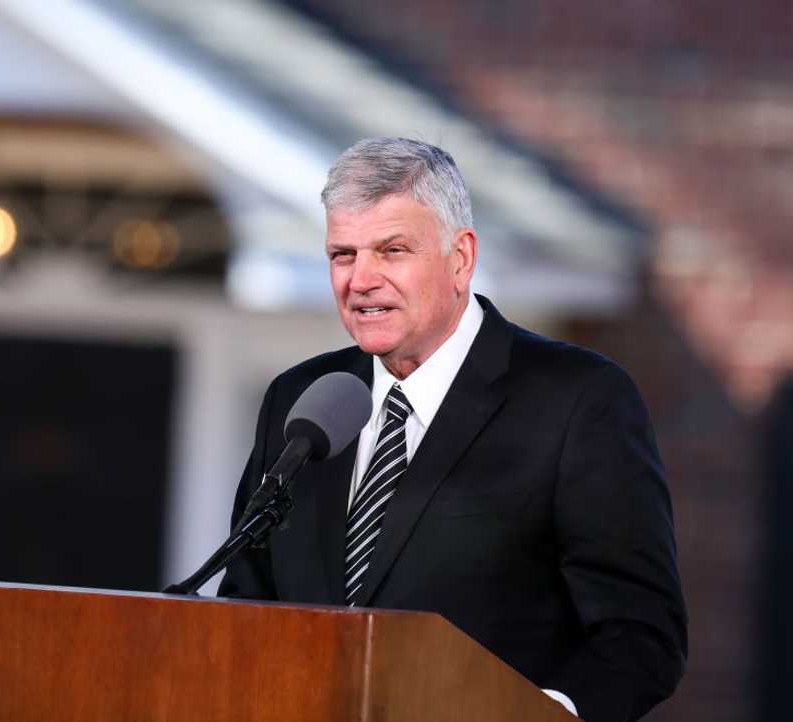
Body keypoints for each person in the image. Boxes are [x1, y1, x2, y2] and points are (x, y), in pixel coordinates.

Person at [218, 138, 686, 722]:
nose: (361, 279)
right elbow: (245, 604)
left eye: (391, 251)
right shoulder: (304, 399)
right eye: (343, 254)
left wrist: (538, 715)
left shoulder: (578, 400)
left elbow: (640, 635)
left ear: (460, 257)